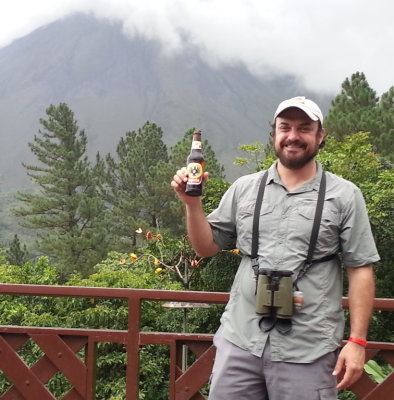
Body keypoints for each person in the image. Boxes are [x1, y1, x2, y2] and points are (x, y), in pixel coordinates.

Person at [171, 96, 379, 400]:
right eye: (285, 127)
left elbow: (360, 269)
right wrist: (192, 205)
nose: (293, 135)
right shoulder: (244, 188)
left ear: (320, 136)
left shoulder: (345, 196)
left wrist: (357, 342)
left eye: (304, 128)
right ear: (274, 134)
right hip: (240, 341)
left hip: (309, 349)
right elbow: (206, 247)